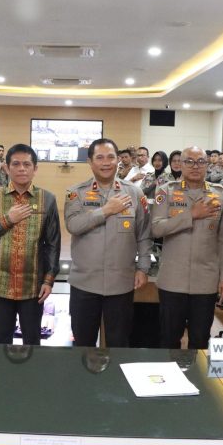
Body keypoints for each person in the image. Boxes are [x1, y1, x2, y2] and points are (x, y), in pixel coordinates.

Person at [65, 138, 153, 347]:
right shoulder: (76, 193)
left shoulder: (134, 192)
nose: (106, 163)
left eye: (111, 157)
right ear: (90, 162)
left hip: (120, 284)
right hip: (84, 284)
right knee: (83, 345)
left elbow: (144, 233)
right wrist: (105, 210)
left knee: (118, 344)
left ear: (118, 161)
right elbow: (73, 225)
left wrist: (143, 268)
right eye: (100, 157)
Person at [0, 144, 61, 345]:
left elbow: (53, 243)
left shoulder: (47, 199)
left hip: (33, 287)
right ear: (7, 168)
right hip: (0, 285)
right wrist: (7, 219)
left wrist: (48, 280)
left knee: (32, 341)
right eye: (16, 164)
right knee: (1, 341)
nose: (21, 168)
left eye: (27, 164)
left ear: (35, 168)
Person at [152, 146, 223, 349]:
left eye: (200, 162)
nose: (195, 166)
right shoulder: (166, 191)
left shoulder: (220, 194)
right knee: (169, 339)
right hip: (173, 280)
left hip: (206, 280)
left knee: (200, 340)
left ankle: (197, 371)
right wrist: (191, 215)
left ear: (207, 165)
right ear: (180, 164)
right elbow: (156, 228)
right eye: (189, 161)